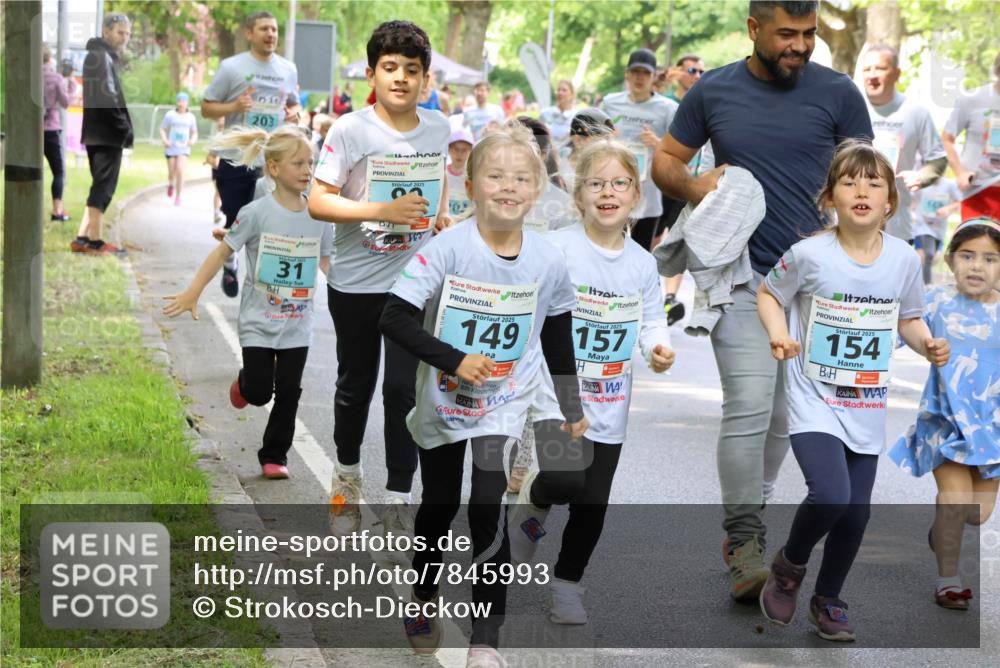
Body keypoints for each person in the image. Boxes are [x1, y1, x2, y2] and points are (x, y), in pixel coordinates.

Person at [651, 0, 874, 602]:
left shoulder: (839, 93)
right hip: (742, 278)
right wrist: (695, 185)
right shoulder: (714, 90)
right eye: (786, 34)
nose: (799, 46)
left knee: (783, 416)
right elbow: (665, 160)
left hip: (816, 284)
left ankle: (756, 509)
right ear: (753, 29)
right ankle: (746, 539)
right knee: (749, 406)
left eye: (809, 34)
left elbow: (863, 175)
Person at [377, 124, 586, 667]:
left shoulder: (547, 260)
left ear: (536, 190)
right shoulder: (448, 249)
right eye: (495, 176)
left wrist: (571, 408)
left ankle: (485, 638)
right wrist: (455, 360)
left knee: (488, 505)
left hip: (503, 404)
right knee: (441, 504)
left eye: (521, 178)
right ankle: (423, 595)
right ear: (470, 185)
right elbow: (393, 317)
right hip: (445, 401)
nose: (508, 186)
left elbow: (557, 338)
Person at [756, 140, 950, 641]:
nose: (861, 191)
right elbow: (769, 293)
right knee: (830, 495)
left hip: (865, 401)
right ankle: (789, 567)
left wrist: (927, 343)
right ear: (830, 198)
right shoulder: (809, 255)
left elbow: (909, 318)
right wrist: (778, 333)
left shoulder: (904, 259)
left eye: (873, 184)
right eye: (849, 182)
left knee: (856, 511)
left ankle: (828, 598)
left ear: (890, 202)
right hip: (813, 397)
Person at [517, 139, 675, 625]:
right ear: (579, 194)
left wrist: (657, 347)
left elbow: (652, 320)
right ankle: (536, 499)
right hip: (558, 393)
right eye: (596, 183)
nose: (608, 192)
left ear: (636, 196)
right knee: (566, 478)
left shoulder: (643, 263)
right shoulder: (558, 248)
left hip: (611, 400)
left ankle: (567, 586)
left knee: (592, 501)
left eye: (620, 183)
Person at [308, 20, 450, 540]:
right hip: (355, 284)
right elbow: (318, 202)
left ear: (425, 79)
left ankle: (397, 500)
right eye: (390, 68)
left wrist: (439, 216)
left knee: (402, 391)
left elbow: (437, 181)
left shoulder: (438, 128)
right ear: (372, 74)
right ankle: (346, 477)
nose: (401, 78)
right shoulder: (350, 130)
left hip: (413, 284)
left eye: (411, 69)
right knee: (356, 386)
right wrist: (382, 210)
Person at [162, 126, 333, 480]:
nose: (307, 170)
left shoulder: (320, 215)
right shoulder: (256, 212)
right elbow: (223, 252)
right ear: (274, 168)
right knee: (258, 392)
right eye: (298, 163)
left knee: (289, 391)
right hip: (259, 320)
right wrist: (193, 291)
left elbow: (327, 263)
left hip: (297, 324)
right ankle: (245, 384)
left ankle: (274, 455)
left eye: (311, 163)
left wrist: (357, 298)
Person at [889, 218, 1000, 611]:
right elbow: (900, 327)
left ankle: (942, 530)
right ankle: (948, 581)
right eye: (967, 256)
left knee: (977, 514)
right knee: (954, 500)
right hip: (945, 424)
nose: (977, 266)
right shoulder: (935, 301)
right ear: (950, 260)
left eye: (990, 258)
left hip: (993, 433)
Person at [202, 10, 300, 298]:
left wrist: (293, 115)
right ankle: (230, 262)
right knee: (237, 218)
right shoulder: (231, 67)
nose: (271, 34)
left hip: (274, 160)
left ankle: (267, 282)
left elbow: (294, 105)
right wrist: (233, 107)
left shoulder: (288, 69)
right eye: (264, 29)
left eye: (274, 29)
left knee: (273, 221)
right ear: (249, 34)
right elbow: (207, 107)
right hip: (237, 157)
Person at [861, 44, 947, 242]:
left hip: (896, 227)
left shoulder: (916, 112)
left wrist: (921, 177)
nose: (872, 75)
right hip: (850, 226)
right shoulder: (850, 107)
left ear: (897, 73)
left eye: (880, 68)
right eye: (867, 69)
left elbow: (938, 159)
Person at [599, 48, 679, 252]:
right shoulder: (610, 102)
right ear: (627, 74)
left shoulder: (668, 108)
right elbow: (593, 140)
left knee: (640, 253)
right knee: (609, 250)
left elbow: (679, 151)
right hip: (612, 189)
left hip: (648, 194)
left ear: (654, 76)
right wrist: (606, 138)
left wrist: (657, 143)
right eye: (635, 72)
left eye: (645, 73)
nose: (640, 78)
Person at [71, 13, 133, 255]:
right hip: (106, 134)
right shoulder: (100, 57)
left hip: (101, 133)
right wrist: (123, 127)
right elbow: (108, 97)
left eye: (127, 33)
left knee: (100, 184)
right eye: (120, 32)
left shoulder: (100, 56)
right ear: (106, 31)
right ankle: (95, 241)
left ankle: (82, 238)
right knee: (103, 187)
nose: (124, 37)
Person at [659, 53, 709, 325]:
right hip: (658, 181)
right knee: (656, 238)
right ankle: (645, 291)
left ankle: (669, 298)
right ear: (678, 72)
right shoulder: (665, 102)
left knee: (678, 240)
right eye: (691, 70)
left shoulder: (704, 104)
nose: (697, 76)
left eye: (701, 72)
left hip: (687, 181)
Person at [942, 52, 1000, 223]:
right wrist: (960, 173)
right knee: (976, 239)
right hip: (977, 192)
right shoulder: (972, 99)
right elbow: (946, 139)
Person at [43, 44, 76, 222]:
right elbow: (65, 103)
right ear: (50, 58)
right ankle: (57, 212)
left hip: (31, 131)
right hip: (50, 129)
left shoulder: (29, 75)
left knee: (30, 170)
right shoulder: (55, 77)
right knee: (58, 172)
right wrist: (70, 84)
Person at [911, 176, 962, 284]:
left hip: (939, 229)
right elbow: (912, 200)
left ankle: (917, 280)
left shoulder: (949, 185)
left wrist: (947, 209)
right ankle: (926, 286)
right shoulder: (921, 182)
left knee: (934, 259)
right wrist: (911, 212)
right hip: (922, 227)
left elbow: (959, 203)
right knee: (927, 255)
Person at [159, 92, 199, 207]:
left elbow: (195, 132)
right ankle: (171, 183)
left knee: (180, 170)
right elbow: (162, 129)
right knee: (172, 172)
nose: (181, 103)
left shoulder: (191, 117)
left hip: (184, 148)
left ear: (187, 103)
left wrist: (192, 141)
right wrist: (165, 140)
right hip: (171, 147)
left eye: (184, 101)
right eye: (179, 101)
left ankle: (178, 197)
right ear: (177, 102)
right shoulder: (170, 115)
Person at [446, 127, 474, 219]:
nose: (459, 154)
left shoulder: (473, 175)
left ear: (471, 152)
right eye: (456, 149)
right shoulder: (442, 174)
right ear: (449, 149)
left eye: (464, 150)